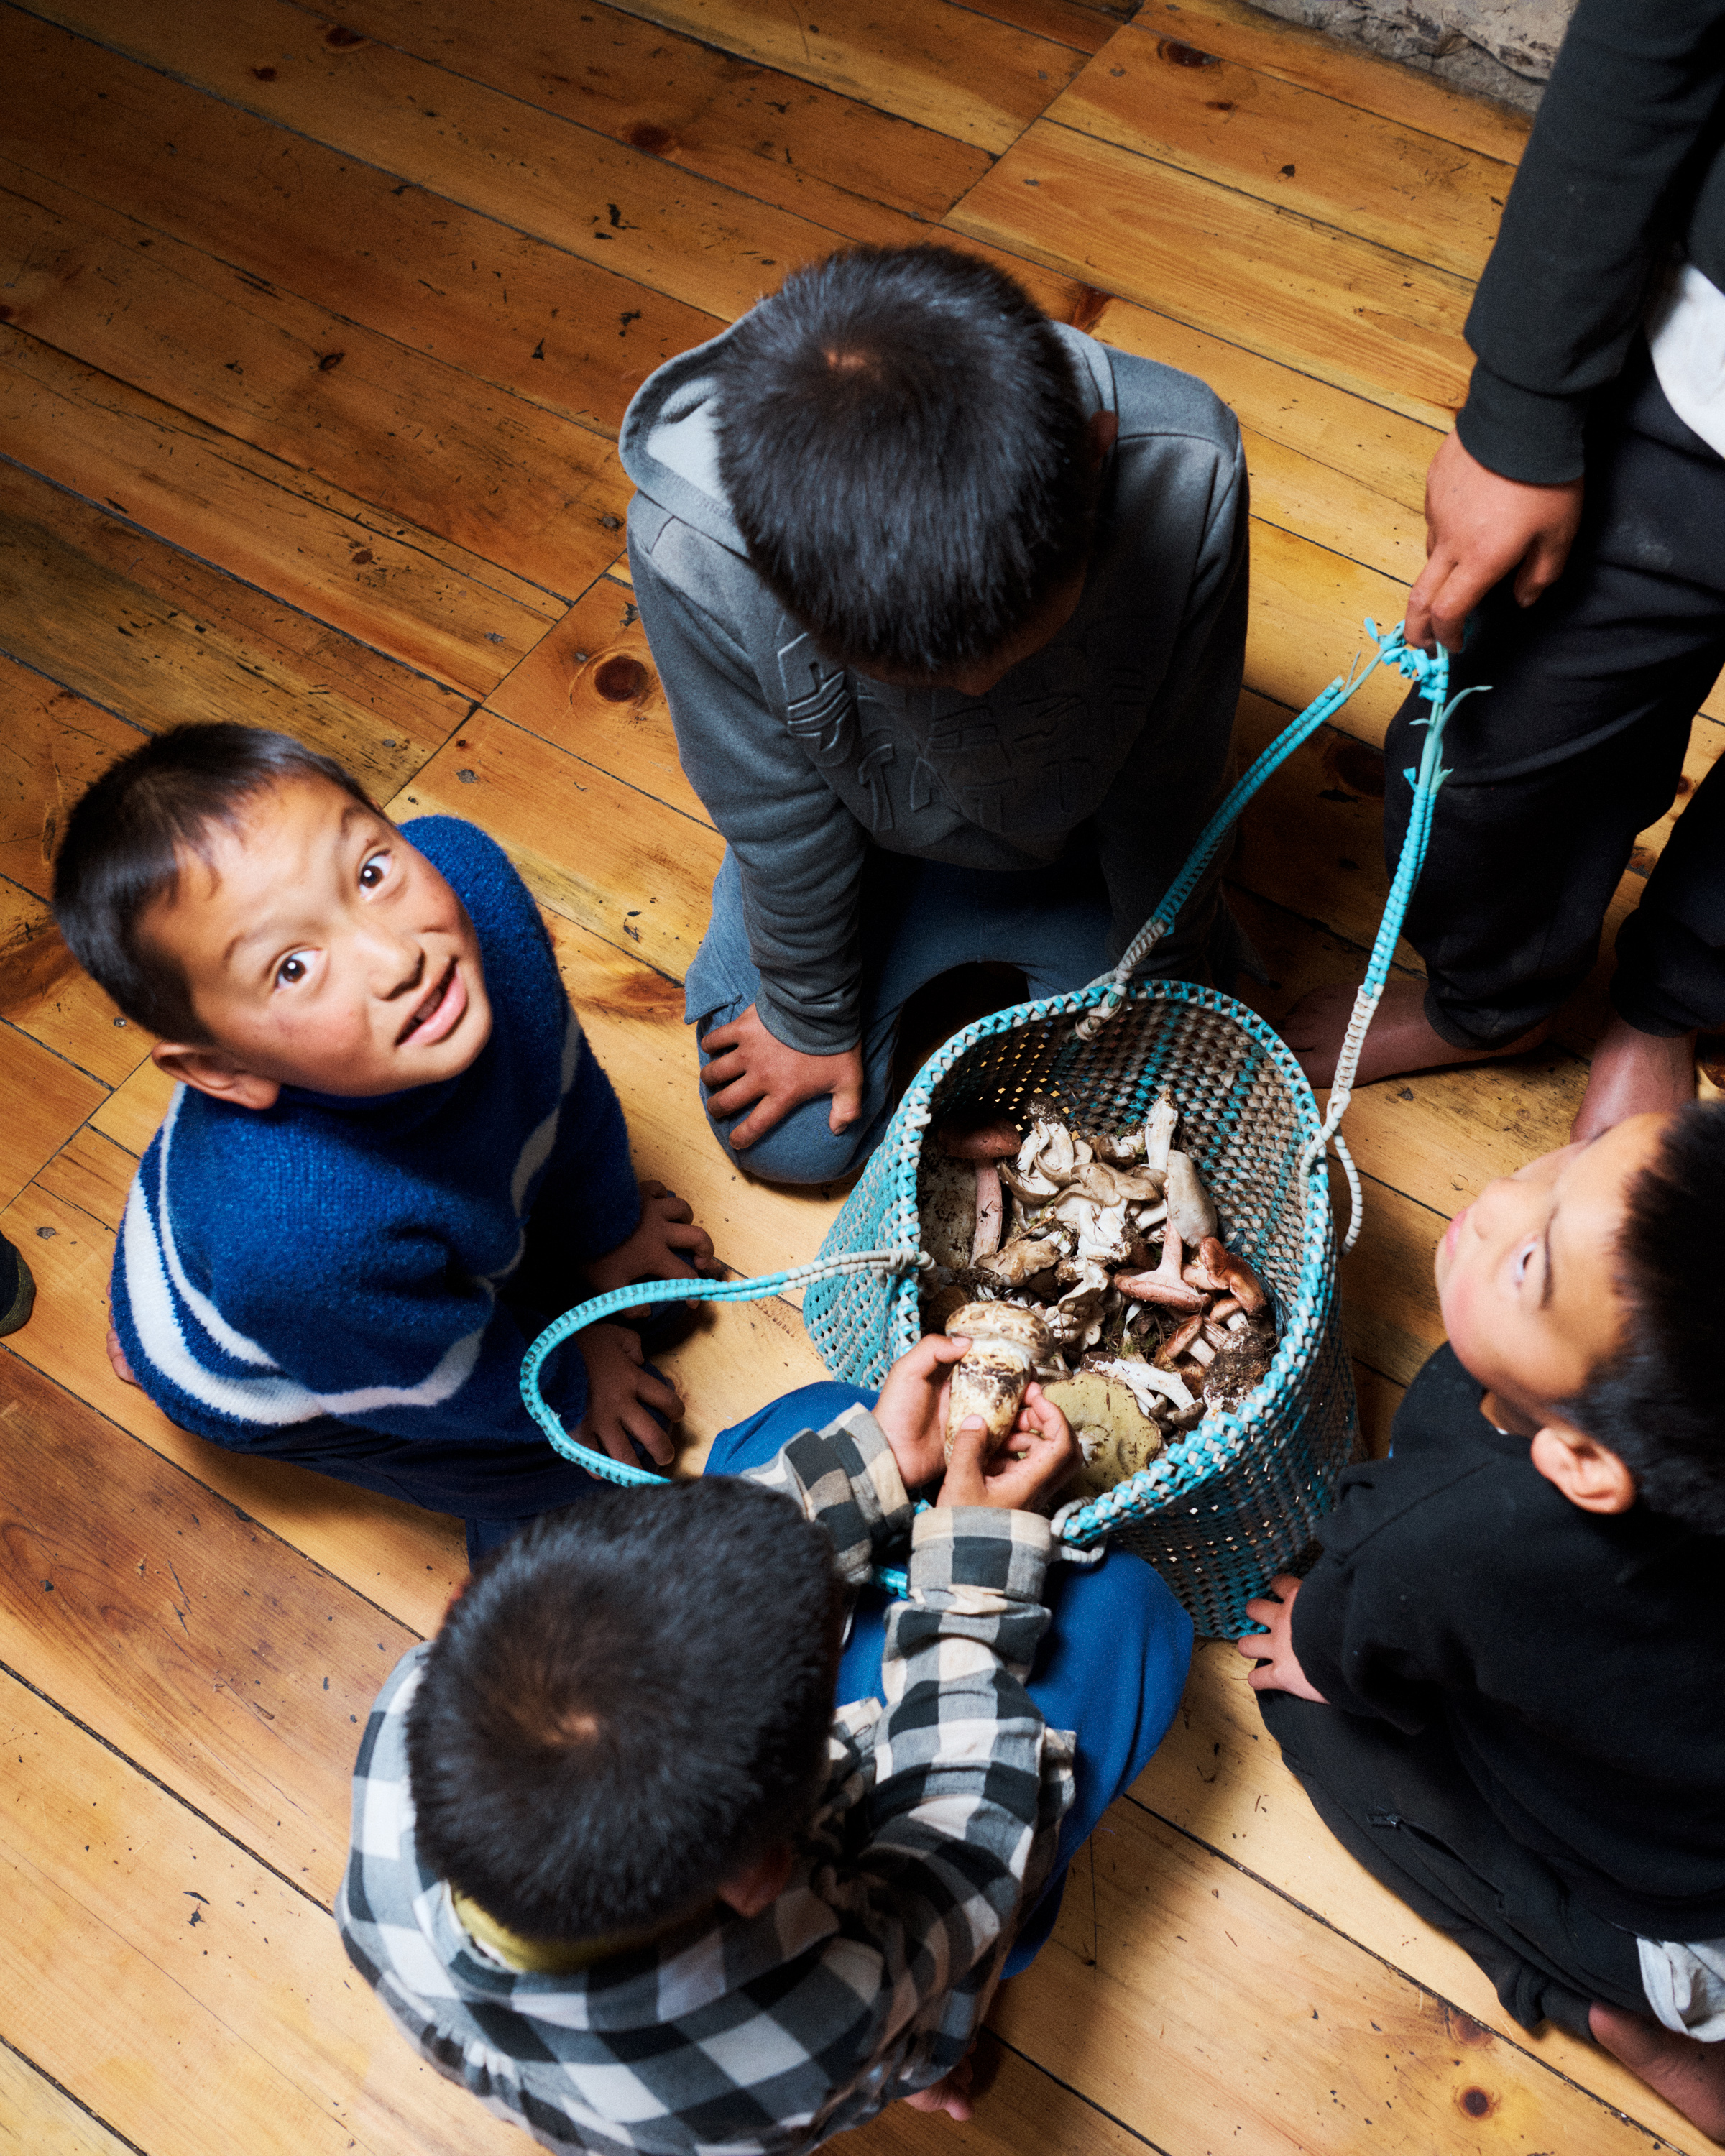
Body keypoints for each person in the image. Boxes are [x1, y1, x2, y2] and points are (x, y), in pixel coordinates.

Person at [339, 1335, 1194, 2154]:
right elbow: (974, 1828)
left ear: (462, 1613)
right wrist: (972, 1580)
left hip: (636, 2070)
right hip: (843, 2024)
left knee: (821, 1414)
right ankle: (925, 2047)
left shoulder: (416, 1706)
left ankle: (911, 2043)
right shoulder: (818, 2022)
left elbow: (691, 1574)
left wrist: (879, 1466)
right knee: (1126, 1614)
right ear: (760, 1875)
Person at [621, 244, 1248, 1184]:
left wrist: (1155, 981)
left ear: (1096, 449)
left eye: (1020, 647)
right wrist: (808, 1018)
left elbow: (1174, 785)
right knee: (795, 1142)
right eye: (912, 676)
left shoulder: (1187, 473)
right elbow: (777, 812)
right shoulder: (696, 550)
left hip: (1076, 839)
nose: (973, 696)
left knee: (1173, 1122)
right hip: (859, 836)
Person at [52, 724, 714, 1564]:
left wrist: (609, 1228)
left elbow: (563, 1085)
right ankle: (160, 1354)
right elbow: (430, 1387)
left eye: (370, 872)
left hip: (332, 1270)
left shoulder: (470, 884)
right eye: (293, 966)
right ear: (221, 1067)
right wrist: (574, 1382)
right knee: (566, 1479)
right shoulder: (301, 1247)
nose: (397, 955)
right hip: (292, 1362)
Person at [1239, 1105, 1725, 2143]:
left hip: (1679, 1917)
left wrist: (1323, 1650)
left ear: (1587, 1463)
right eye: (1576, 1158)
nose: (1502, 1197)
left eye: (1528, 1268)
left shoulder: (1437, 1533)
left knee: (1311, 1721)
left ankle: (1596, 1997)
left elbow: (1344, 1650)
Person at [1287, 0, 1725, 1140]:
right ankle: (1493, 998)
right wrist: (1521, 412)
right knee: (1493, 755)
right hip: (1692, 388)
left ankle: (1669, 1007)